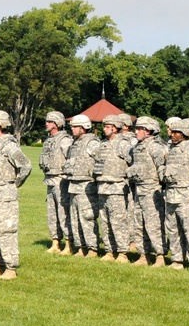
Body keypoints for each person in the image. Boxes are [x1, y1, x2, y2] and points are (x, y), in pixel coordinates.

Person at [0, 110, 32, 279]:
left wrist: (14, 184)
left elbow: (26, 166)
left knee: (6, 231)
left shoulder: (9, 146)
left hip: (5, 195)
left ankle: (10, 268)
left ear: (1, 125)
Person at [161, 118, 189, 271]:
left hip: (187, 195)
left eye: (176, 132)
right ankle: (177, 259)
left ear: (185, 133)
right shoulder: (171, 150)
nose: (172, 135)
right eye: (172, 132)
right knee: (173, 229)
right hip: (171, 194)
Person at [127, 116, 168, 267]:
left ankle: (160, 256)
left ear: (149, 131)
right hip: (139, 190)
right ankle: (143, 255)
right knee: (139, 224)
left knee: (154, 224)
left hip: (152, 191)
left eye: (139, 129)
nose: (136, 131)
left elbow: (162, 168)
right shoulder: (137, 147)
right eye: (136, 129)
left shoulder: (155, 147)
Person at [93, 114, 133, 261]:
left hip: (117, 188)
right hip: (103, 187)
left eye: (108, 127)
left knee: (118, 221)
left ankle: (122, 252)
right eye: (105, 126)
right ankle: (110, 251)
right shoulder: (103, 144)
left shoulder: (123, 144)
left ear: (115, 128)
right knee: (105, 221)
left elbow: (132, 162)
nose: (105, 129)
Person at [62, 114, 100, 257]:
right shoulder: (74, 144)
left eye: (76, 127)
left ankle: (92, 248)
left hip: (87, 186)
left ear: (84, 128)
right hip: (73, 185)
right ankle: (80, 246)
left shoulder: (92, 143)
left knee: (87, 217)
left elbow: (100, 161)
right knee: (75, 218)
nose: (73, 129)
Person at [38, 111, 72, 253]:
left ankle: (69, 244)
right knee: (52, 213)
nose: (46, 123)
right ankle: (55, 242)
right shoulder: (49, 140)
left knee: (63, 211)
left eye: (50, 121)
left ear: (57, 123)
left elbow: (70, 159)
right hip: (49, 179)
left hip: (60, 179)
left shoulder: (65, 140)